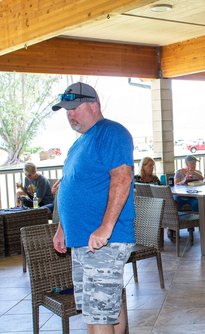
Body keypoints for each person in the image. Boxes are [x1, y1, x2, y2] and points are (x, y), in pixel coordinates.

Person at [51, 82, 135, 334]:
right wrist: (62, 228)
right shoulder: (80, 143)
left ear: (94, 105)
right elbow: (72, 186)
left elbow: (122, 177)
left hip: (102, 240)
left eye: (74, 108)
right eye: (67, 110)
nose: (70, 115)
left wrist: (106, 227)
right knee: (106, 305)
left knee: (96, 314)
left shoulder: (111, 132)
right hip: (84, 239)